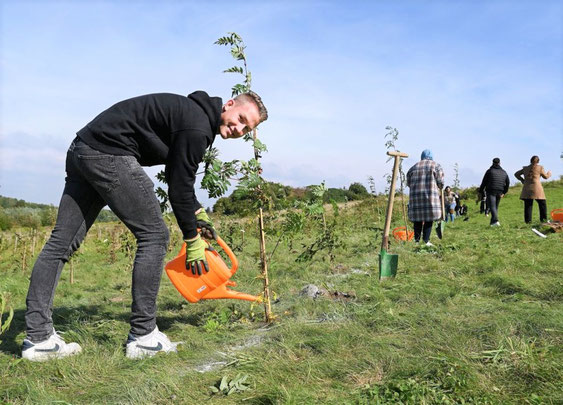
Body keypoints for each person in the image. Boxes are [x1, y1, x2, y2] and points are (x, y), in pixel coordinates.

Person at [22, 91, 268, 361]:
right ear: (230, 105)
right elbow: (179, 187)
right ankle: (143, 336)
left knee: (61, 243)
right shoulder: (197, 126)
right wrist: (192, 239)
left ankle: (38, 339)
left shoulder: (193, 115)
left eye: (247, 129)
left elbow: (179, 178)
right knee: (154, 235)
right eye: (241, 119)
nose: (239, 128)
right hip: (108, 154)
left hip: (83, 148)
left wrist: (198, 213)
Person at [407, 149, 444, 246]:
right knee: (429, 218)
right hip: (430, 196)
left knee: (417, 219)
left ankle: (417, 241)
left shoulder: (413, 167)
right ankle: (426, 240)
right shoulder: (436, 165)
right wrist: (439, 186)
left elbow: (408, 182)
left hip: (416, 197)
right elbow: (440, 182)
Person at [514, 155, 552, 223]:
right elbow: (545, 177)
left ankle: (528, 221)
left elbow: (516, 174)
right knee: (542, 204)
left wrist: (522, 180)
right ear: (538, 161)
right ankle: (543, 220)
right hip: (537, 189)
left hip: (527, 189)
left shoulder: (525, 168)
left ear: (530, 161)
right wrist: (549, 174)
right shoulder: (540, 167)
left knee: (528, 205)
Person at [478, 157, 509, 227]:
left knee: (492, 206)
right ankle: (492, 223)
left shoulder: (489, 171)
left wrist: (480, 191)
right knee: (495, 207)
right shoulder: (504, 172)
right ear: (500, 163)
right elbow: (508, 183)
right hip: (500, 191)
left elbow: (484, 182)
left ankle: (495, 221)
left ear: (492, 163)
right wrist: (504, 192)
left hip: (491, 190)